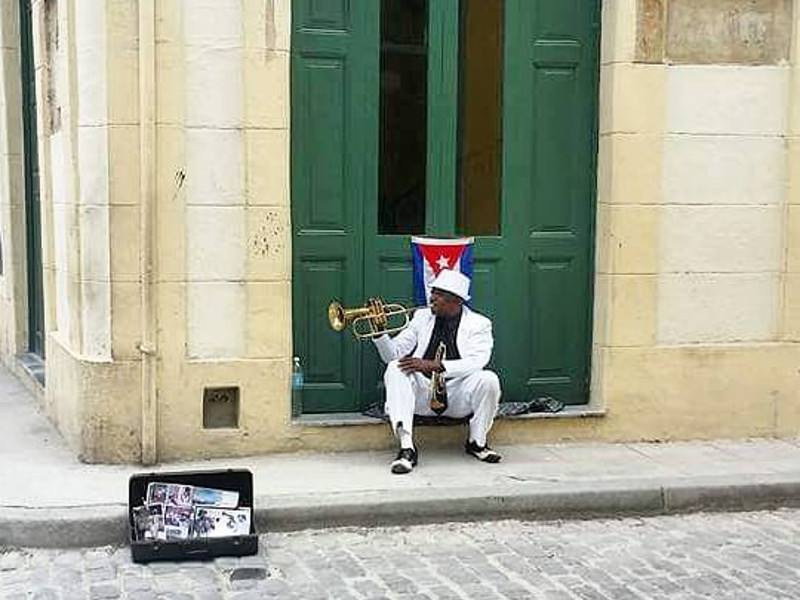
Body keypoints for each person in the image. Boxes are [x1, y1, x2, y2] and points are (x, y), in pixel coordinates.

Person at [372, 269, 502, 474]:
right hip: (422, 395)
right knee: (395, 367)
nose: (432, 298)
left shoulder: (479, 324)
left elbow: (478, 361)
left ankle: (477, 442)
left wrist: (436, 365)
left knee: (489, 379)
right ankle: (407, 448)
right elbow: (393, 354)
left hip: (457, 394)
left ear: (456, 301)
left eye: (439, 294)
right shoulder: (421, 317)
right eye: (433, 292)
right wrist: (380, 331)